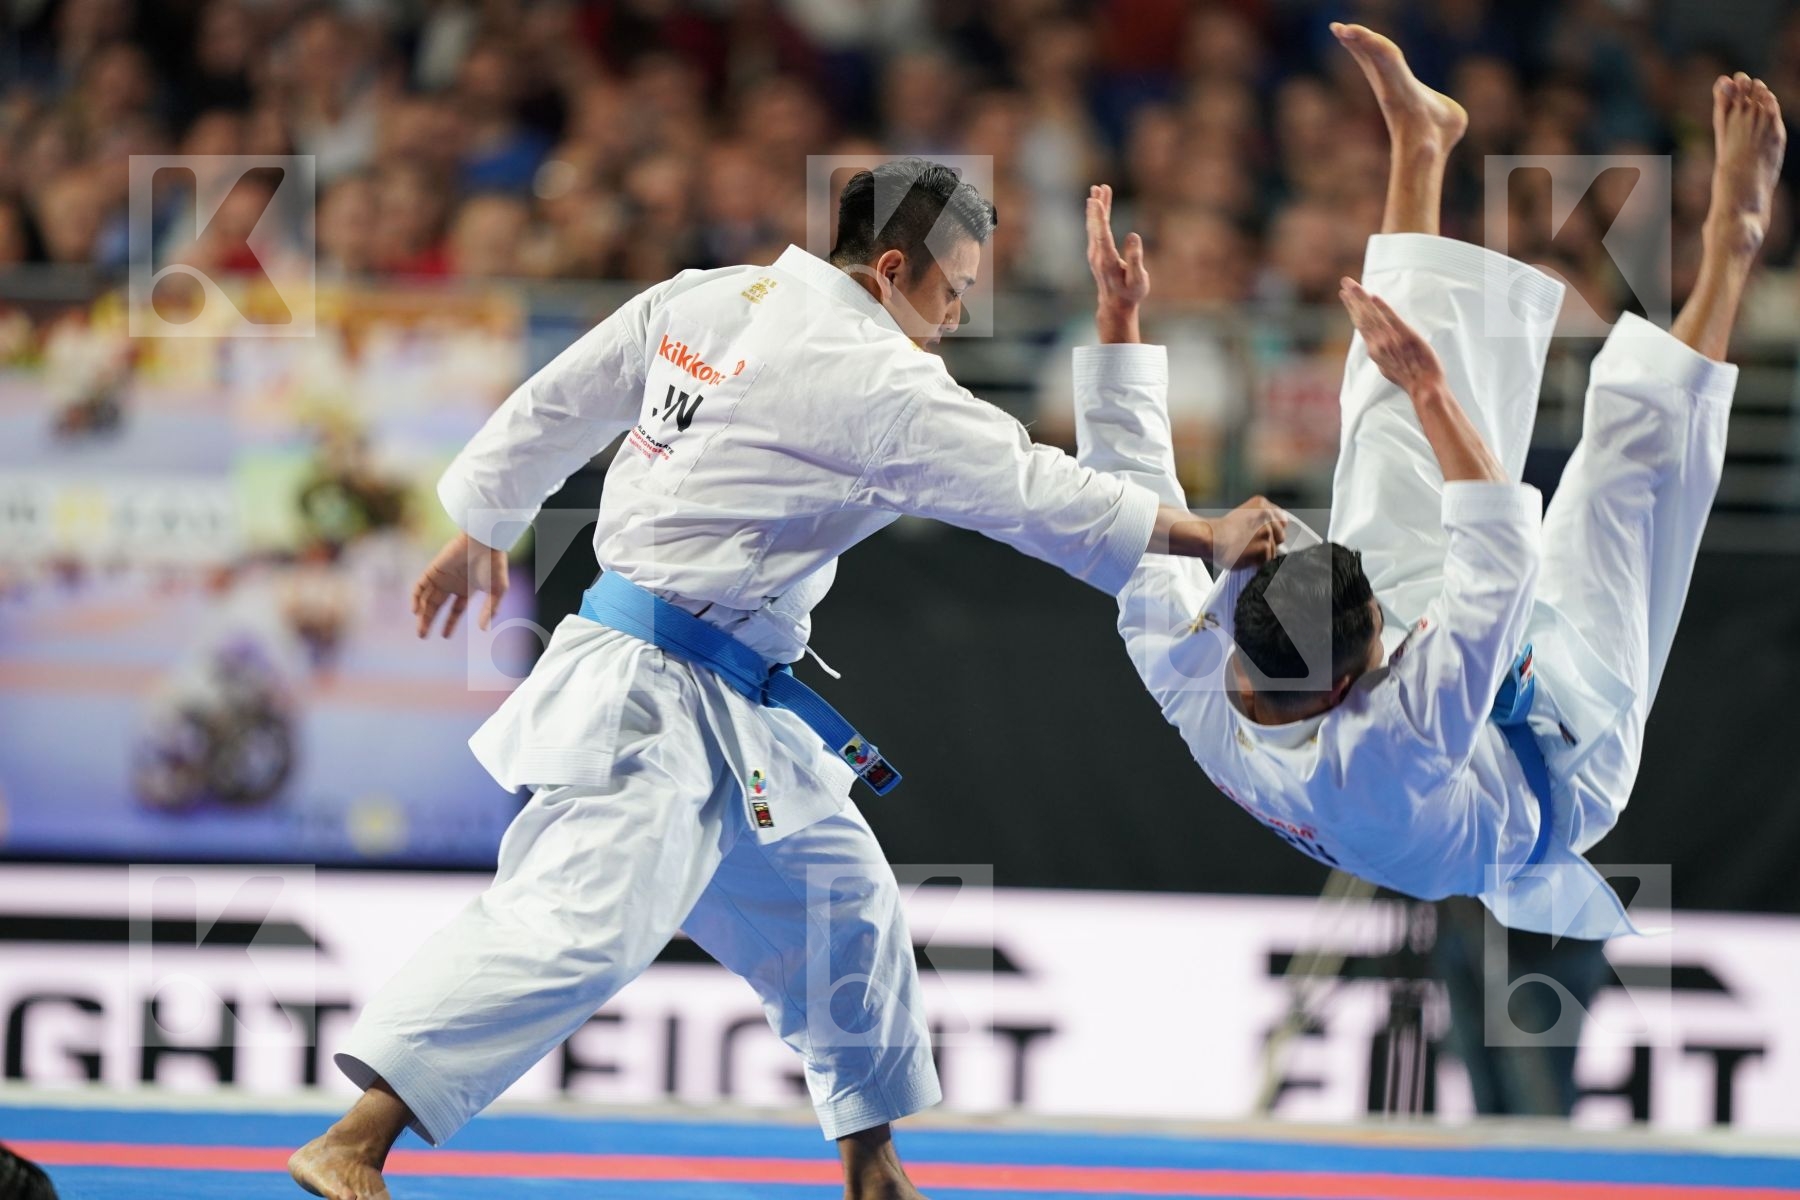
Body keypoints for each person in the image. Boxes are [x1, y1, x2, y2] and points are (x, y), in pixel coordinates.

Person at [289, 157, 1283, 1200]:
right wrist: (1201, 533)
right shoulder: (879, 377)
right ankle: (355, 1139)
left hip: (729, 698)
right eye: (952, 288)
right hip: (648, 697)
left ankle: (874, 1171)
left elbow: (559, 402)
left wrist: (484, 526)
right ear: (891, 269)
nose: (958, 313)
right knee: (578, 924)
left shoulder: (708, 297)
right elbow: (1033, 490)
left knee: (843, 914)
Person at [1075, 26, 1784, 939]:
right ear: (1355, 682)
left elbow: (1130, 508)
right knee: (1627, 463)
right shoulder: (1388, 749)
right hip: (1554, 766)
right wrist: (1433, 389)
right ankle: (1735, 239)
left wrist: (1117, 323)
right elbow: (1502, 565)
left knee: (1383, 433)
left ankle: (1422, 142)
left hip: (1390, 707)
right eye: (1378, 627)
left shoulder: (1190, 668)